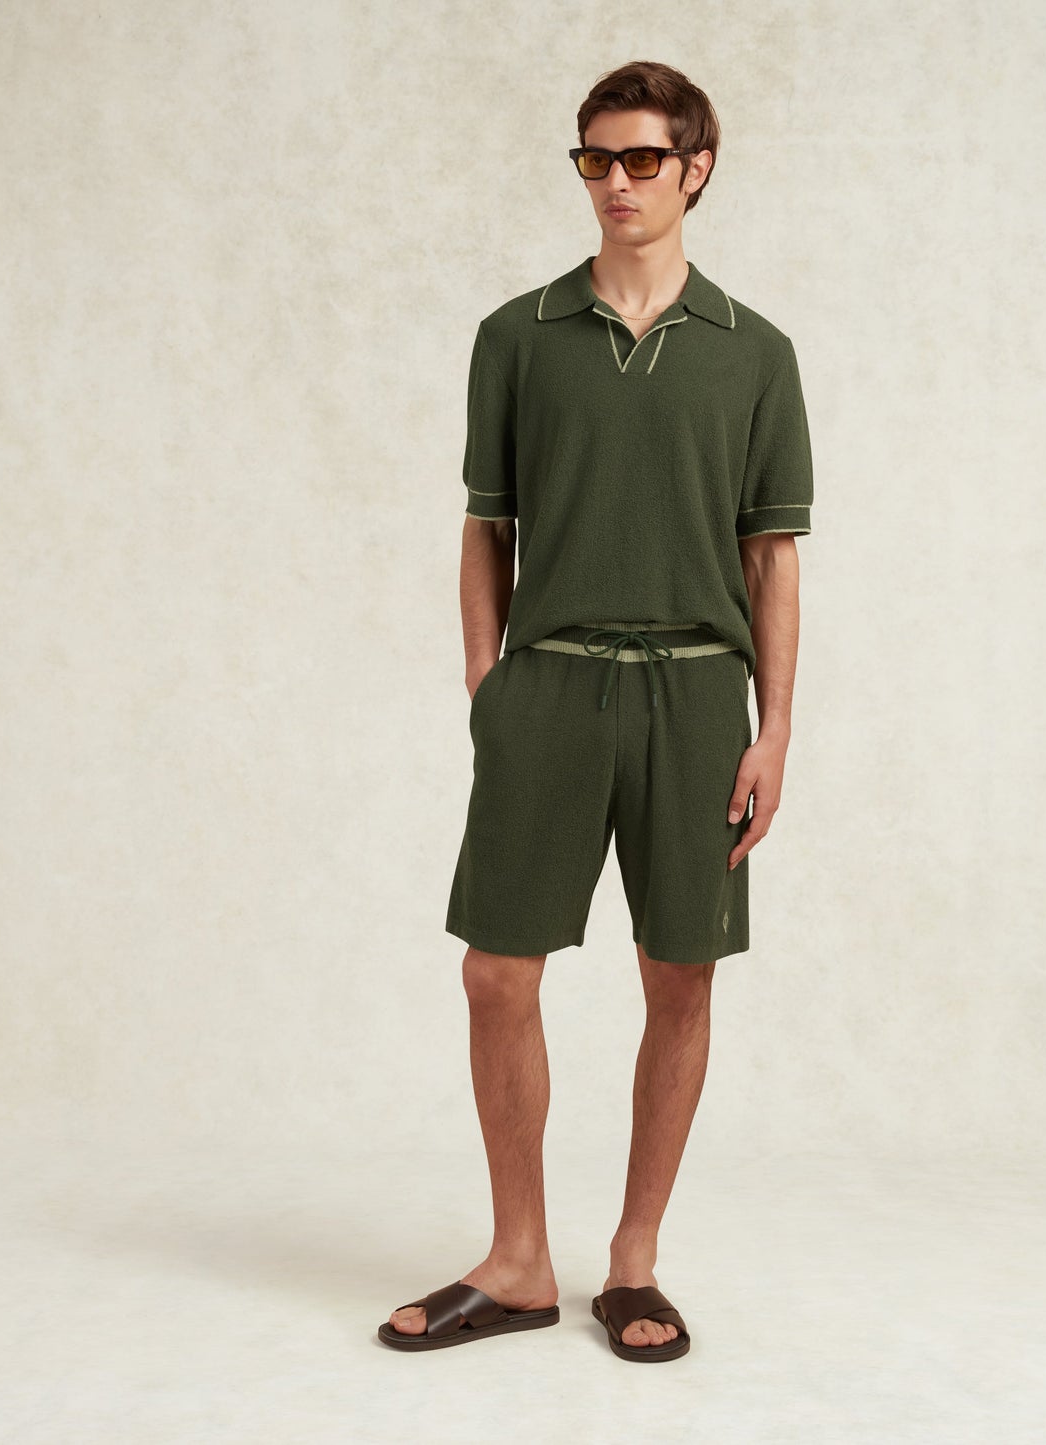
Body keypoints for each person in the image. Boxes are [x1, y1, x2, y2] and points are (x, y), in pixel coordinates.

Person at [379, 60, 813, 1362]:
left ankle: (633, 1262)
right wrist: (487, 682)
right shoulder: (516, 337)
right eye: (595, 160)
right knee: (494, 971)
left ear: (695, 169)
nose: (615, 182)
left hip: (697, 694)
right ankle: (519, 1260)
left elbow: (772, 556)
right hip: (550, 684)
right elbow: (485, 522)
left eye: (641, 159)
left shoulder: (755, 354)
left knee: (679, 975)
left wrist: (774, 728)